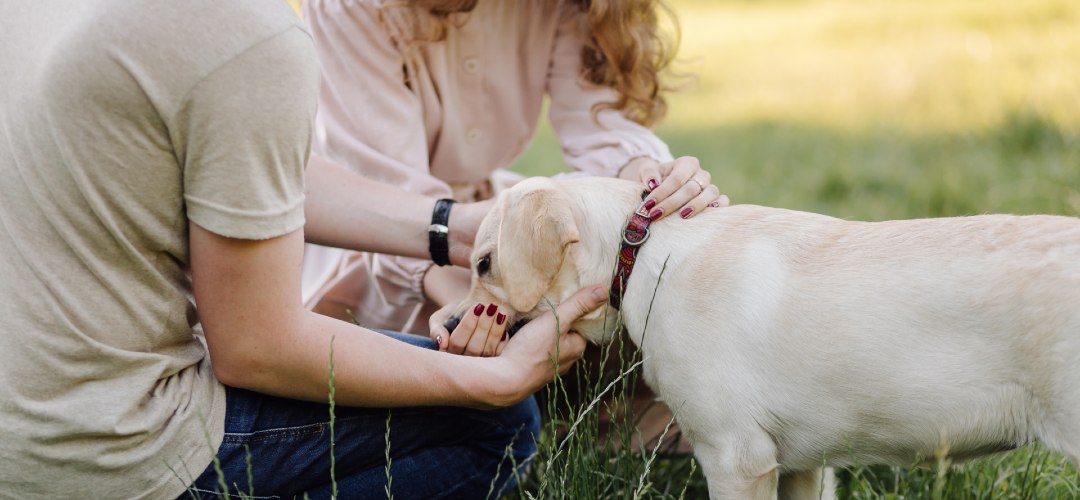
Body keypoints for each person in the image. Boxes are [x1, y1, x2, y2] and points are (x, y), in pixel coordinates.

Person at [0, 1, 605, 498]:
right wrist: (494, 381)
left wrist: (450, 226)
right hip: (101, 446)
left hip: (22, 419)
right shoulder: (249, 36)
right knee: (499, 425)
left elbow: (230, 161)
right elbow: (255, 348)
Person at [300, 0, 730, 337]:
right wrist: (475, 304)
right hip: (373, 245)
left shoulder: (569, 5)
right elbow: (393, 198)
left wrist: (652, 179)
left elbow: (596, 124)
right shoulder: (354, 6)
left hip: (481, 224)